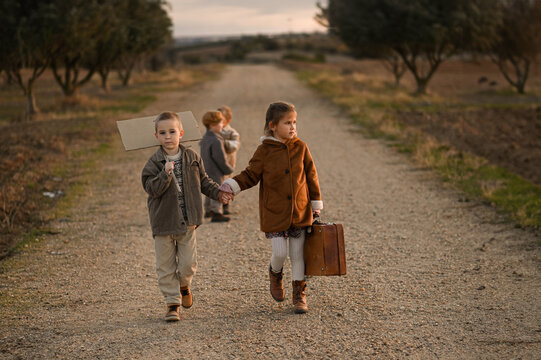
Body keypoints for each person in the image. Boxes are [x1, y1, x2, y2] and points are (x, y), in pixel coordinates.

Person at [220, 101, 323, 314]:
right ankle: (275, 273)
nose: (293, 127)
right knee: (279, 252)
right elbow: (250, 174)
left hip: (299, 211)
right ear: (273, 125)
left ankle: (299, 295)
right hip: (274, 212)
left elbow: (311, 176)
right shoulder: (264, 151)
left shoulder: (301, 147)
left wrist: (315, 204)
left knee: (297, 255)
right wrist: (231, 186)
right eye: (287, 123)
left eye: (294, 122)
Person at [142, 111, 233, 322]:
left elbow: (204, 181)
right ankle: (172, 304)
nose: (168, 136)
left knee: (187, 264)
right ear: (156, 136)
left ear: (181, 133)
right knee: (165, 267)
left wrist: (219, 193)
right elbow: (151, 189)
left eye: (172, 131)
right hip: (164, 223)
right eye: (162, 132)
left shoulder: (192, 157)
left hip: (188, 221)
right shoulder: (154, 162)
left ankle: (184, 285)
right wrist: (164, 174)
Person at [199, 110, 234, 222]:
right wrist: (228, 169)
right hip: (215, 170)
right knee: (218, 189)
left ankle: (208, 210)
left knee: (208, 188)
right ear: (212, 125)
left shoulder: (205, 138)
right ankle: (216, 212)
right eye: (220, 123)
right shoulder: (216, 140)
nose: (222, 126)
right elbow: (220, 159)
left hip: (206, 168)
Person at [218, 105, 241, 215]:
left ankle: (225, 205)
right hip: (216, 163)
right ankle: (214, 207)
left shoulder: (232, 132)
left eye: (220, 120)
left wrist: (224, 143)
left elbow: (235, 145)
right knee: (215, 183)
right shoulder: (213, 132)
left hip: (228, 163)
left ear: (227, 120)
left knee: (225, 184)